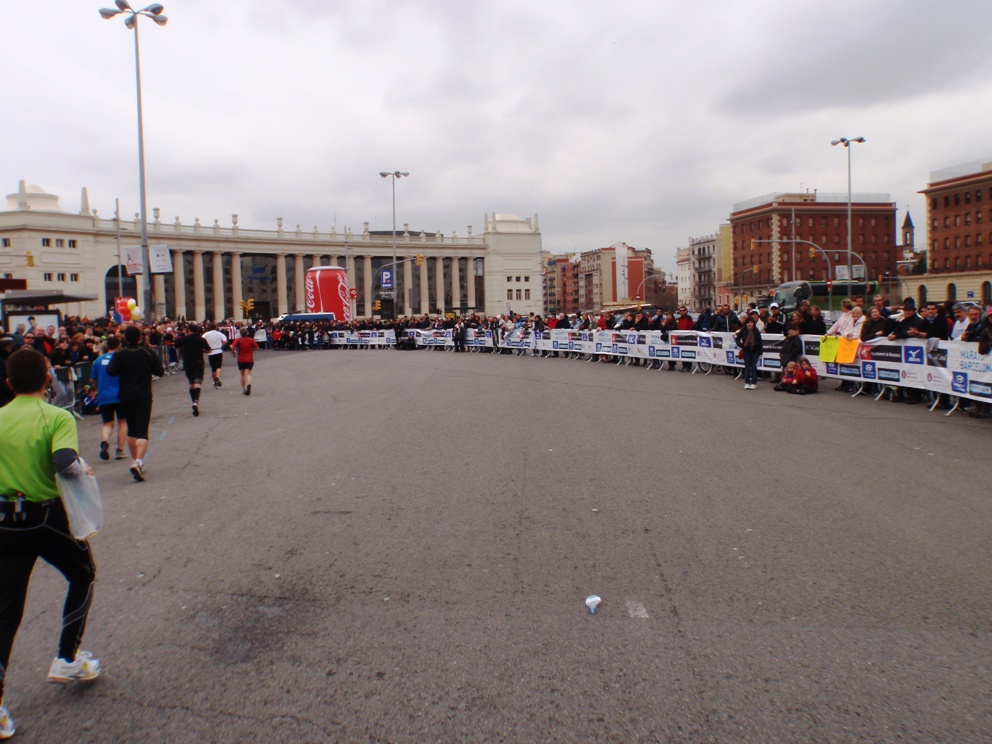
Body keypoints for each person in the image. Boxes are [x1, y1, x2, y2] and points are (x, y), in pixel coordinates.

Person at [0, 348, 102, 740]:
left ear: (8, 383)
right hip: (45, 516)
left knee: (6, 610)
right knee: (84, 575)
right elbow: (62, 460)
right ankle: (67, 656)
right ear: (48, 380)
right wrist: (79, 465)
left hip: (5, 521)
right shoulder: (56, 416)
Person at [106, 325, 164, 481]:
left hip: (125, 395)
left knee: (132, 429)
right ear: (140, 337)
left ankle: (136, 460)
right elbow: (160, 371)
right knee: (142, 429)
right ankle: (138, 461)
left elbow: (110, 371)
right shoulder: (147, 352)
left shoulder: (120, 354)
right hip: (143, 394)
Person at [90, 336, 128, 461]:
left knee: (107, 423)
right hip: (120, 394)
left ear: (107, 346)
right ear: (119, 346)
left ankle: (105, 440)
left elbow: (92, 379)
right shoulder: (121, 359)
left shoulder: (98, 360)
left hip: (104, 395)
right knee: (122, 421)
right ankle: (120, 450)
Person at [175, 325, 211, 417]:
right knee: (198, 382)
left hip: (188, 363)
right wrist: (202, 351)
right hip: (198, 362)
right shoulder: (201, 339)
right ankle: (196, 401)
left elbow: (175, 345)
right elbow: (209, 350)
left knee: (191, 383)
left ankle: (194, 401)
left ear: (189, 330)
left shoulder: (185, 339)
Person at [735, 315, 763, 390]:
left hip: (755, 351)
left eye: (751, 322)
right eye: (748, 323)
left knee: (753, 367)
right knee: (747, 367)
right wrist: (741, 345)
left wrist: (760, 351)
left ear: (753, 323)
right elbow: (737, 339)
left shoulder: (756, 331)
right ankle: (747, 382)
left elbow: (760, 342)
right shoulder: (743, 330)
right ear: (746, 323)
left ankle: (753, 383)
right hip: (746, 351)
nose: (750, 324)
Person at [230, 327, 260, 396]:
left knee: (242, 374)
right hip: (249, 359)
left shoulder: (238, 340)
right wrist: (252, 350)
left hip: (241, 359)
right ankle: (249, 384)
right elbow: (256, 347)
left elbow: (232, 346)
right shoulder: (251, 340)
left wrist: (233, 352)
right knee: (248, 373)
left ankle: (243, 388)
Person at [201, 323, 228, 388]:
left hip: (211, 351)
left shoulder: (206, 334)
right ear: (215, 327)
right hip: (218, 351)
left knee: (213, 368)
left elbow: (202, 340)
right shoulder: (219, 334)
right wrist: (221, 346)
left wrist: (205, 348)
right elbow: (225, 341)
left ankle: (214, 382)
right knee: (218, 366)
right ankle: (217, 376)